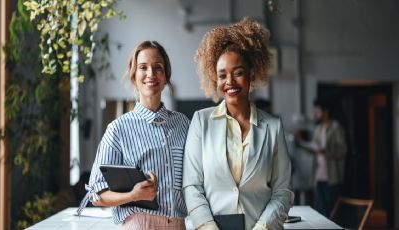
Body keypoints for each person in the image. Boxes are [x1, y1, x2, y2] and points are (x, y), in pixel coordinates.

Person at [182, 17, 294, 230]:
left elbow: (283, 191)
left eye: (238, 73)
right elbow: (192, 186)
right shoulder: (201, 122)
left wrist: (262, 228)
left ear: (251, 74)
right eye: (222, 75)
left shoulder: (273, 127)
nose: (230, 82)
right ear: (215, 80)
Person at [77, 41, 190, 229]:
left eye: (158, 68)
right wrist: (133, 196)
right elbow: (96, 195)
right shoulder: (118, 129)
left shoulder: (183, 124)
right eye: (143, 68)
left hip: (179, 225)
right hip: (139, 224)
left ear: (166, 76)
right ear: (134, 76)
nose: (150, 74)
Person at [295, 98, 347, 217]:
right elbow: (314, 149)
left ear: (325, 112)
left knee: (331, 212)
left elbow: (342, 151)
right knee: (319, 210)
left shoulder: (336, 127)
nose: (315, 114)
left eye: (317, 111)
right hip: (318, 177)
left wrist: (326, 151)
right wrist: (301, 142)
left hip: (332, 177)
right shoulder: (317, 129)